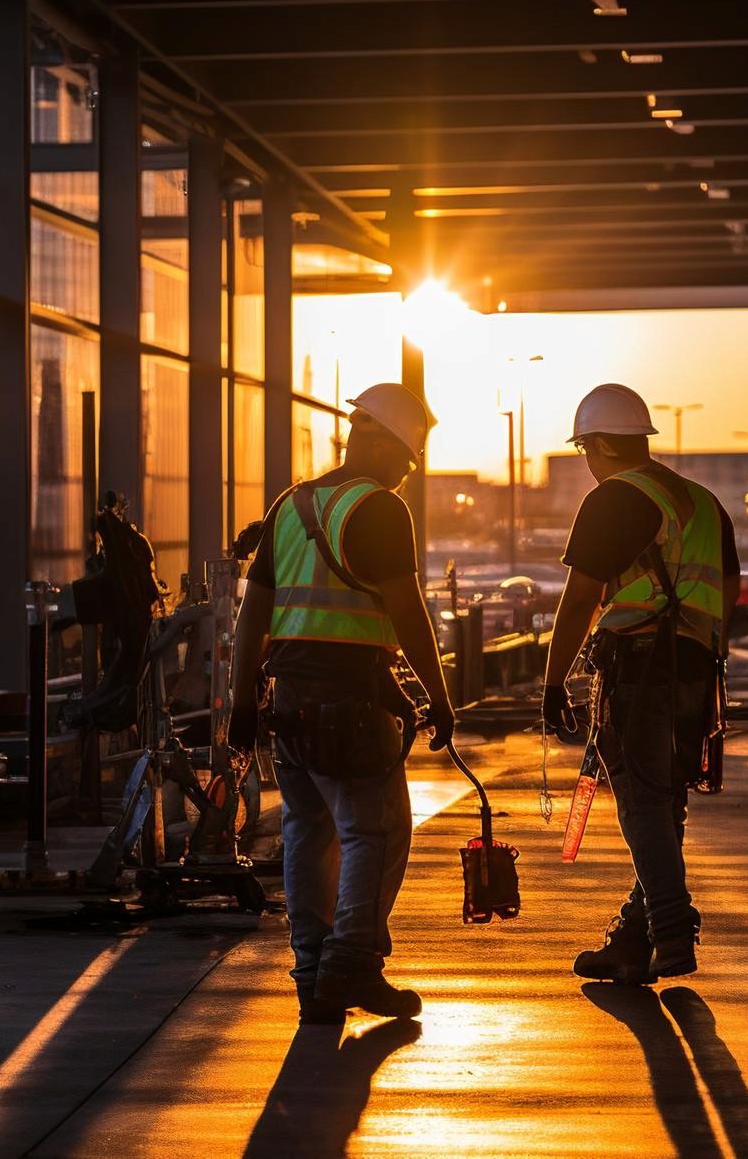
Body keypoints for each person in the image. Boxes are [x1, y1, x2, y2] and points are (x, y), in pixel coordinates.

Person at [230, 383, 457, 1025]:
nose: (407, 471)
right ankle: (351, 962)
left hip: (289, 703)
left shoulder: (292, 504)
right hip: (350, 703)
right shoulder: (380, 509)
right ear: (381, 443)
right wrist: (439, 696)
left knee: (307, 832)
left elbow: (254, 615)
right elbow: (408, 614)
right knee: (376, 832)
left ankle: (313, 973)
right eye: (407, 458)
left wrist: (242, 701)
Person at [539, 383, 739, 984]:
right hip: (694, 667)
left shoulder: (615, 498)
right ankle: (635, 938)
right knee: (665, 799)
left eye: (584, 450)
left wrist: (553, 682)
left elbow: (580, 599)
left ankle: (671, 930)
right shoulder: (702, 502)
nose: (587, 463)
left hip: (641, 664)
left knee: (641, 801)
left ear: (601, 443)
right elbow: (729, 589)